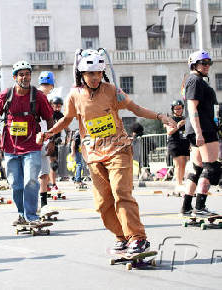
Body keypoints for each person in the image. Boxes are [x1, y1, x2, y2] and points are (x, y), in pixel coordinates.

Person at [44, 49, 176, 254]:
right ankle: (122, 236)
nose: (95, 77)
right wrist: (50, 132)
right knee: (103, 203)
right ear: (81, 75)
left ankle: (137, 238)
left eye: (98, 72)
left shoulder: (112, 91)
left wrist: (160, 117)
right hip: (94, 155)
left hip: (119, 149)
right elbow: (68, 119)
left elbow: (136, 109)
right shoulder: (74, 95)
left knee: (121, 193)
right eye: (90, 73)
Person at [0, 61, 54, 225]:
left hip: (32, 146)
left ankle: (32, 216)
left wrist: (51, 138)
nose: (25, 77)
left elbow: (49, 118)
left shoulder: (38, 96)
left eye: (27, 74)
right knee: (16, 185)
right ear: (15, 77)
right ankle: (21, 214)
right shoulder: (6, 95)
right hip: (10, 147)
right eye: (21, 74)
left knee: (31, 181)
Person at [181, 50, 220, 217]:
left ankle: (186, 207)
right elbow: (191, 107)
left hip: (201, 128)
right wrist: (198, 132)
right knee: (211, 168)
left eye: (208, 63)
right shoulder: (195, 80)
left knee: (197, 168)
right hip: (203, 129)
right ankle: (200, 207)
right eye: (203, 63)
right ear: (193, 64)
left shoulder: (196, 81)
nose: (206, 66)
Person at [37, 71, 56, 214]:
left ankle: (34, 205)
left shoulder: (31, 96)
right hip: (41, 139)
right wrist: (51, 139)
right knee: (43, 174)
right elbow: (50, 123)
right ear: (52, 85)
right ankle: (43, 204)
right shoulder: (43, 99)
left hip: (30, 140)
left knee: (34, 174)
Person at [166, 100, 190, 194]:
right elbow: (169, 131)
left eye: (180, 108)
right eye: (176, 108)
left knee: (183, 163)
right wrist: (178, 126)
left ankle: (181, 183)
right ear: (173, 109)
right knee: (178, 164)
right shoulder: (170, 119)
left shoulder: (185, 118)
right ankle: (178, 184)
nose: (179, 110)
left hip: (184, 143)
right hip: (174, 143)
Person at [49, 96, 66, 193]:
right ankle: (53, 184)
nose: (58, 108)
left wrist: (67, 136)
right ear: (52, 105)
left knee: (54, 165)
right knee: (52, 164)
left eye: (59, 106)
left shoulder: (60, 115)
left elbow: (65, 126)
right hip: (48, 141)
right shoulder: (48, 113)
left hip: (56, 142)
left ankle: (50, 184)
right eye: (56, 106)